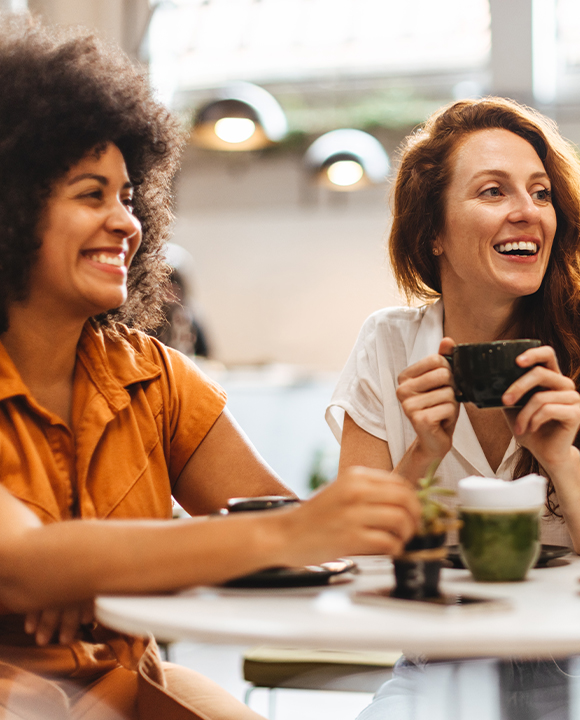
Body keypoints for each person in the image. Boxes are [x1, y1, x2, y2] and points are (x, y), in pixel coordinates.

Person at [0, 16, 421, 720]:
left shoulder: (151, 376)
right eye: (90, 194)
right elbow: (20, 566)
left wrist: (96, 564)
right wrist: (76, 564)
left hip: (126, 682)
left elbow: (294, 533)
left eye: (129, 198)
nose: (125, 223)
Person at [325, 97, 580, 719]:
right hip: (442, 663)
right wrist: (423, 453)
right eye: (493, 191)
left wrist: (561, 462)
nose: (528, 213)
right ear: (432, 231)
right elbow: (360, 555)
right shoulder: (387, 344)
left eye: (541, 194)